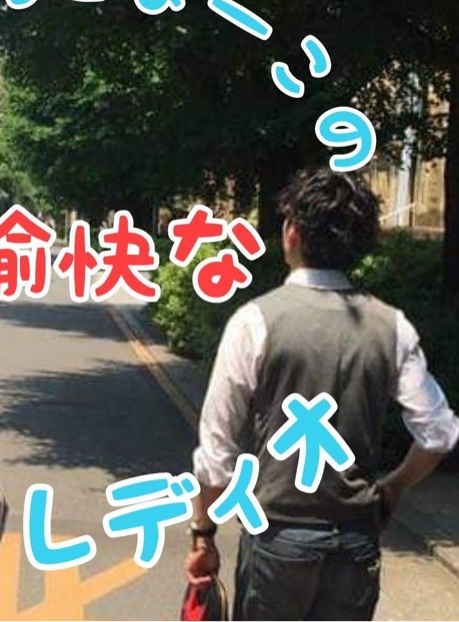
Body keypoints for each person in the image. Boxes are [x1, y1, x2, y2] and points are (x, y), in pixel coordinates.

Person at [185, 167, 459, 621]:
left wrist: (204, 534)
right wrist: (393, 486)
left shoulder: (255, 321)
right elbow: (439, 433)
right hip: (355, 541)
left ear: (292, 233)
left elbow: (217, 450)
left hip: (277, 538)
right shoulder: (390, 327)